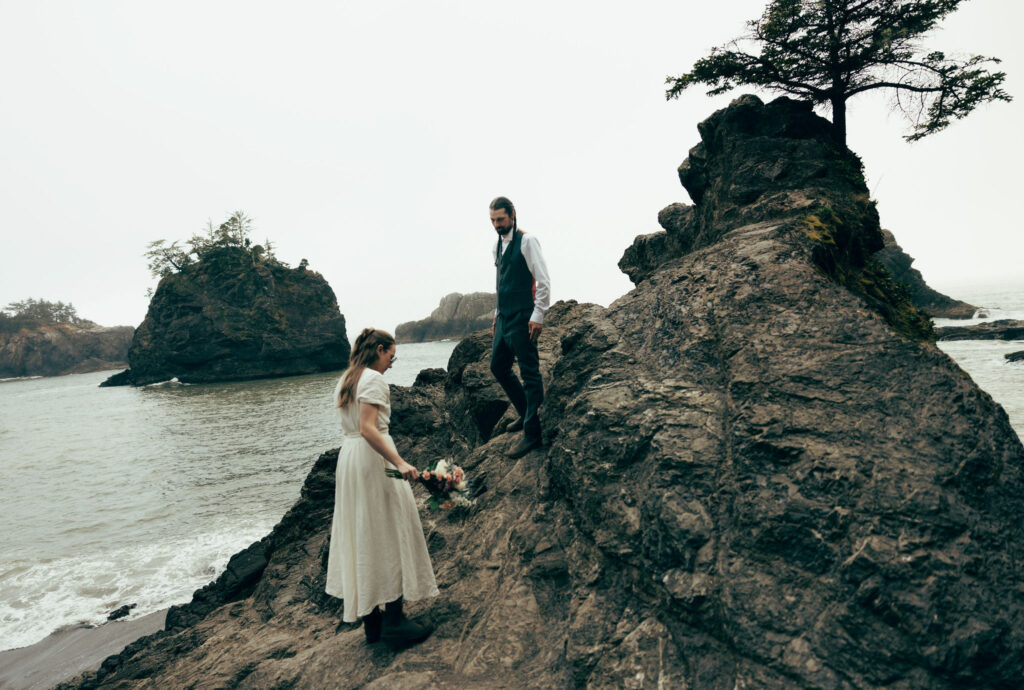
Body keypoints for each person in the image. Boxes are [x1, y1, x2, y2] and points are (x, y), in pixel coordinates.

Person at [325, 328, 438, 648]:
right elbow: (368, 429)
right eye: (391, 356)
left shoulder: (346, 379)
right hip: (372, 460)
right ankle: (395, 623)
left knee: (364, 534)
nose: (391, 363)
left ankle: (372, 624)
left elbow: (357, 428)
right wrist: (399, 462)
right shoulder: (373, 379)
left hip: (350, 461)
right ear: (378, 349)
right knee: (389, 532)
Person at [489, 196, 551, 458]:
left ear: (512, 215)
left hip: (524, 316)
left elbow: (543, 280)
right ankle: (525, 411)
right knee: (498, 367)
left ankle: (533, 434)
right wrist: (497, 314)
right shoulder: (496, 246)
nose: (497, 225)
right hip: (504, 318)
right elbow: (501, 281)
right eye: (493, 220)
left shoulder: (527, 241)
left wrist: (538, 315)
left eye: (500, 219)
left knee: (530, 374)